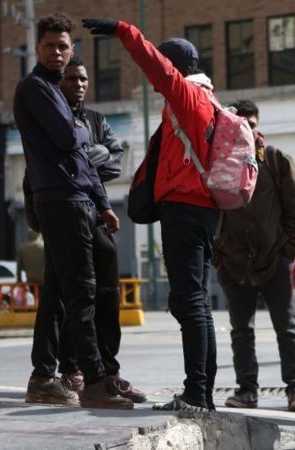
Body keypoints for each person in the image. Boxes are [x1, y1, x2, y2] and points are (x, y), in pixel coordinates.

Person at [83, 17, 220, 411]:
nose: (157, 82)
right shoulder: (207, 100)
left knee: (189, 302)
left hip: (185, 209)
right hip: (201, 210)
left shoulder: (187, 95)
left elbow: (155, 65)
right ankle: (201, 394)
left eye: (165, 66)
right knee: (195, 303)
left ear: (175, 67)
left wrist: (123, 31)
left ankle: (196, 394)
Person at [14, 13, 131, 410]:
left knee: (58, 294)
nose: (57, 52)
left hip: (77, 198)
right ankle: (94, 381)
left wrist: (103, 203)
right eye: (50, 46)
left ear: (72, 49)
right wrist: (80, 131)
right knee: (82, 291)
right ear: (37, 48)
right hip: (60, 200)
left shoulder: (55, 90)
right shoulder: (35, 88)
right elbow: (69, 139)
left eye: (63, 46)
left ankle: (42, 377)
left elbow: (83, 158)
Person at [53, 55, 145, 403]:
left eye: (83, 79)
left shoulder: (96, 119)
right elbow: (61, 165)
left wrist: (85, 159)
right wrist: (93, 156)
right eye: (71, 78)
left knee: (108, 292)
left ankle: (109, 370)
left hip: (97, 212)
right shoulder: (52, 117)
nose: (78, 84)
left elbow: (115, 160)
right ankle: (71, 368)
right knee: (75, 295)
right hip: (66, 214)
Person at [213, 99, 295, 412]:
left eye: (251, 125)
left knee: (287, 328)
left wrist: (288, 255)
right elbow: (212, 211)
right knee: (241, 332)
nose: (245, 131)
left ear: (258, 126)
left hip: (276, 261)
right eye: (239, 126)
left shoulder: (277, 160)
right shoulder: (219, 162)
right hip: (234, 263)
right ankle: (247, 390)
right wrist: (219, 256)